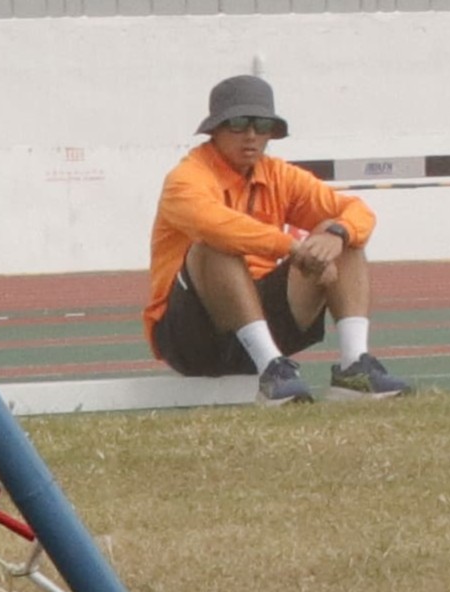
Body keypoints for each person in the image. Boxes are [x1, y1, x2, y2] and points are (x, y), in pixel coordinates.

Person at [147, 76, 407, 404]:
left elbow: (357, 211)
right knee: (215, 244)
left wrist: (338, 236)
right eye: (238, 124)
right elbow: (214, 224)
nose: (251, 135)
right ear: (215, 130)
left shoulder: (278, 175)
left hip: (264, 324)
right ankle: (272, 369)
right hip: (193, 337)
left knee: (341, 233)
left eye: (262, 125)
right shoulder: (186, 178)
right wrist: (293, 248)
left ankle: (353, 368)